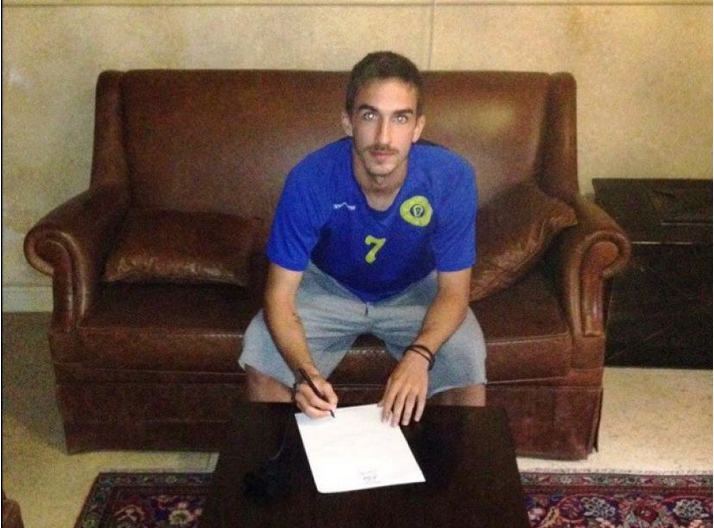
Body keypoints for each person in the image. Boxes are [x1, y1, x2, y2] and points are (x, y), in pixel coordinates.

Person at [239, 51, 486, 427]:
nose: (383, 137)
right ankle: (280, 461)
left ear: (417, 128)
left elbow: (454, 292)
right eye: (370, 116)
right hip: (328, 286)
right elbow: (279, 296)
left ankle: (456, 461)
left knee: (466, 352)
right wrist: (305, 373)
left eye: (400, 118)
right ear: (348, 122)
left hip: (415, 289)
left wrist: (420, 356)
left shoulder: (452, 177)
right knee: (261, 344)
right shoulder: (309, 179)